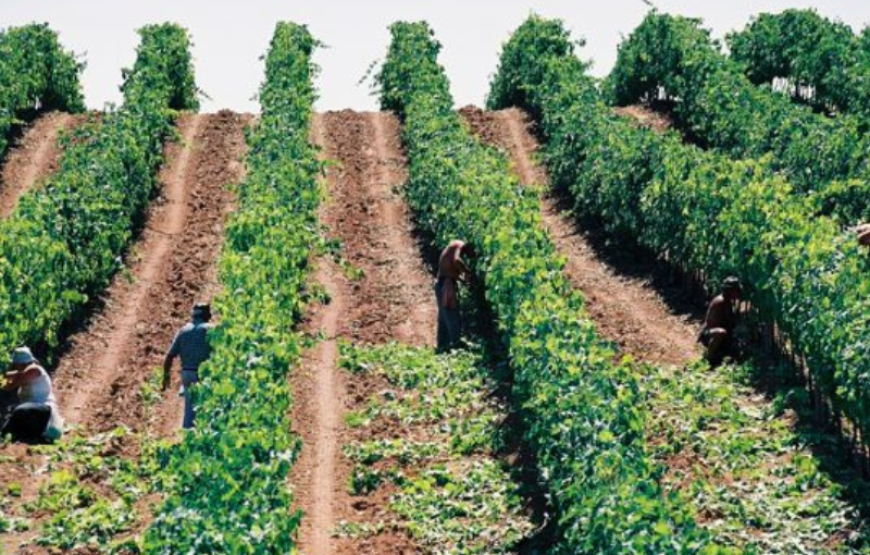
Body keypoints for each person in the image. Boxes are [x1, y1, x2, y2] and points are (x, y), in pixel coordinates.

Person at [163, 303, 214, 429]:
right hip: (204, 375)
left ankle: (188, 438)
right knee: (207, 408)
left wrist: (166, 376)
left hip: (187, 374)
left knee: (189, 411)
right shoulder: (211, 330)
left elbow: (170, 356)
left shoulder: (183, 331)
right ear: (207, 315)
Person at [1, 347, 63, 442]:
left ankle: (39, 435)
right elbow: (17, 374)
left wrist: (5, 378)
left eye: (16, 364)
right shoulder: (24, 372)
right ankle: (25, 435)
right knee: (8, 426)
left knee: (21, 410)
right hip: (34, 413)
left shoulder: (34, 369)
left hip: (45, 412)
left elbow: (11, 385)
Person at [435, 240, 473, 352]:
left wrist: (462, 279)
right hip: (445, 285)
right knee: (452, 315)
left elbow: (450, 270)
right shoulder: (459, 245)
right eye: (469, 254)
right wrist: (467, 272)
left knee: (443, 317)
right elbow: (456, 260)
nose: (466, 256)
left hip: (442, 284)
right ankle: (456, 344)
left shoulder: (453, 246)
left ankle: (442, 345)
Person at [699, 277, 742, 368]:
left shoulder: (727, 301)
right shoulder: (721, 301)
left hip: (718, 332)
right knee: (721, 332)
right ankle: (709, 359)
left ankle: (720, 353)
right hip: (709, 333)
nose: (738, 293)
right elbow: (728, 321)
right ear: (729, 291)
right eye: (736, 290)